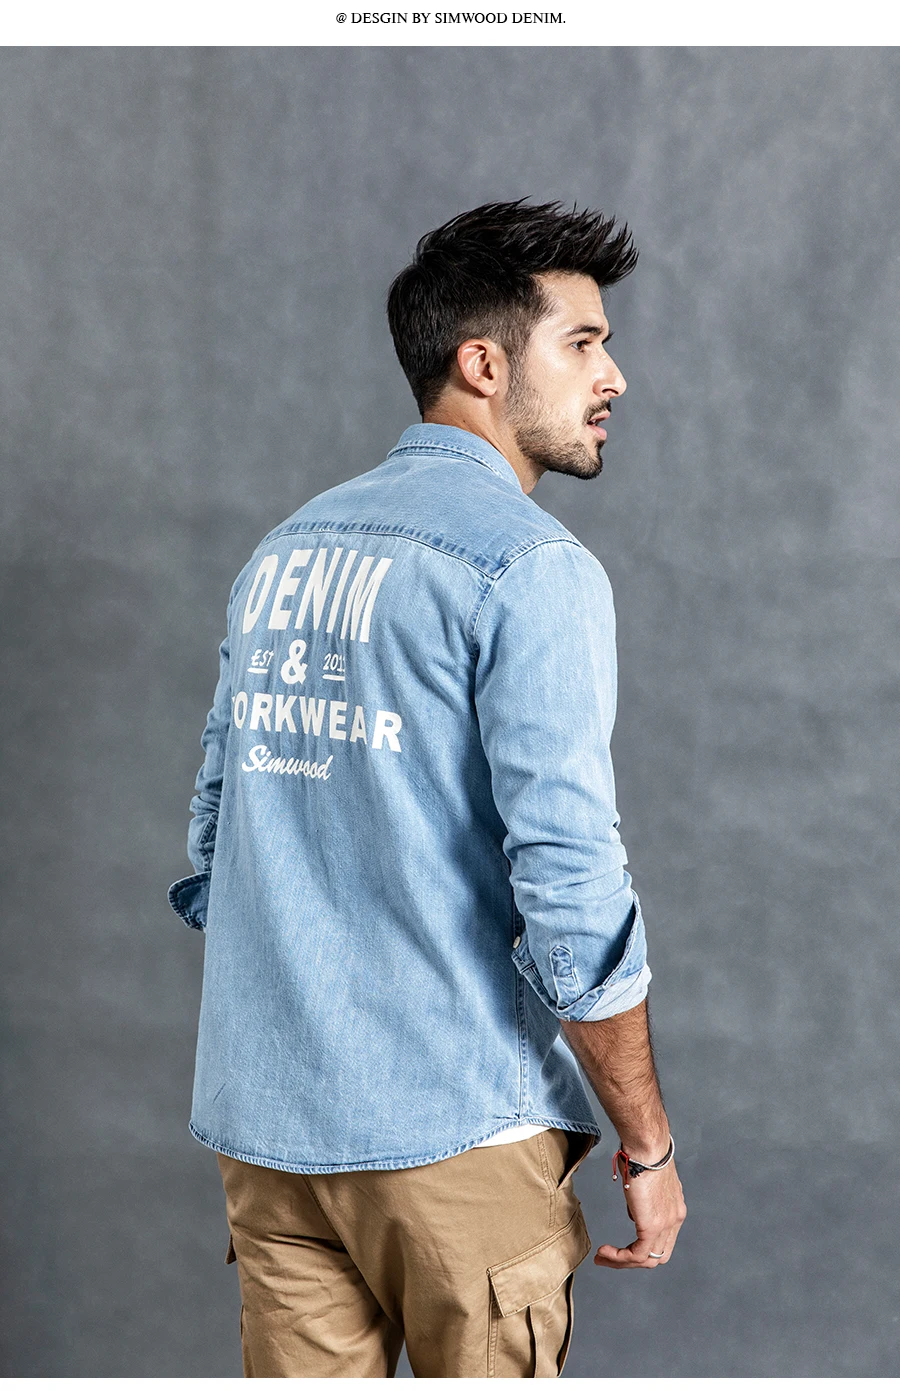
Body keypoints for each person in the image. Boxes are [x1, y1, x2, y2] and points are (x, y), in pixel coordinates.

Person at [167, 199, 687, 1379]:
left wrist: (318, 988)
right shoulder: (531, 567)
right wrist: (647, 1142)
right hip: (456, 1132)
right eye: (584, 343)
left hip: (270, 1130)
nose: (614, 376)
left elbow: (215, 833)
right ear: (484, 363)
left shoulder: (285, 549)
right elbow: (571, 888)